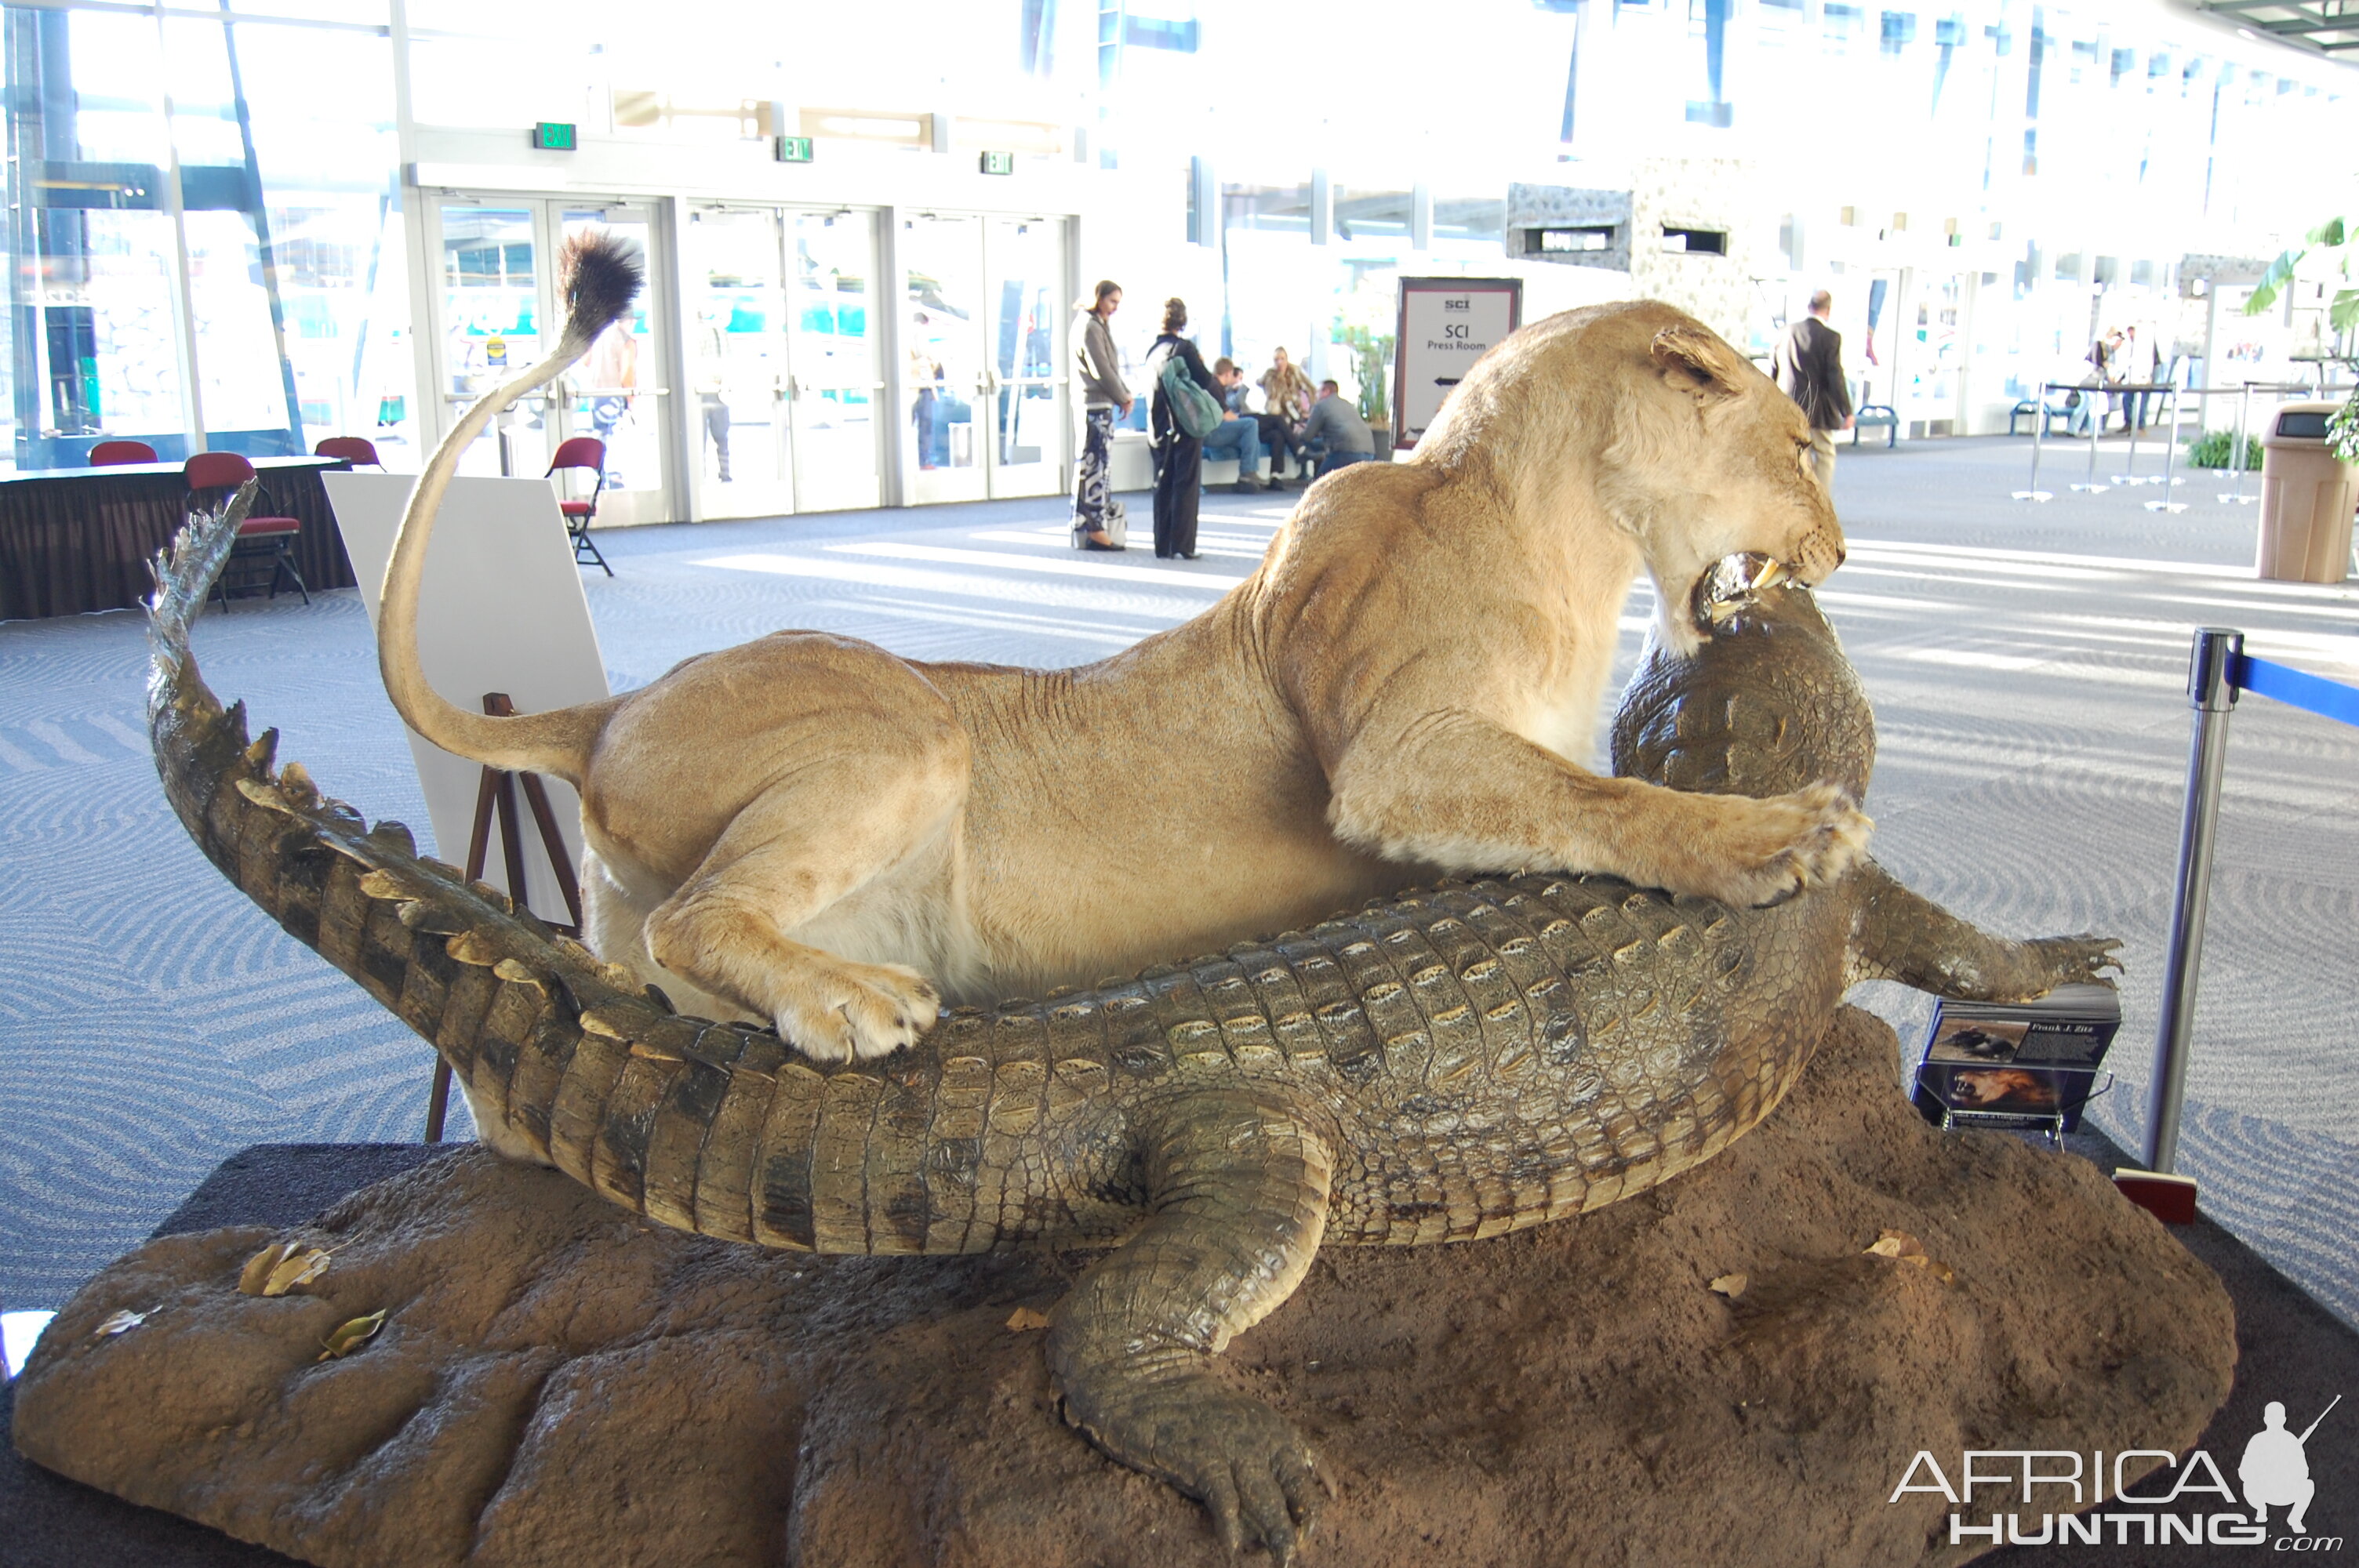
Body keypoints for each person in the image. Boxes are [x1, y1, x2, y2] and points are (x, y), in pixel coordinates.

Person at [1147, 297, 1219, 559]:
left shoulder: (1153, 351)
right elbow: (1205, 380)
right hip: (1184, 425)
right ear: (1183, 321)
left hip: (1157, 426)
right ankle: (1184, 545)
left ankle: (1162, 544)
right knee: (1186, 483)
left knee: (1162, 483)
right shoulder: (1185, 349)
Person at [1770, 290, 1854, 490]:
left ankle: (1790, 496)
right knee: (1824, 452)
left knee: (1792, 453)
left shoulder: (1786, 332)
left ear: (1810, 307)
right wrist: (1847, 411)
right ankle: (1820, 500)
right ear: (1828, 310)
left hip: (1787, 406)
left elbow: (1774, 367)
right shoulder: (1831, 338)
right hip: (1818, 409)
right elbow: (1835, 375)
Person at [1070, 280, 1131, 550]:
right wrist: (1123, 396)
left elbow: (1109, 369)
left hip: (1098, 404)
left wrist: (1123, 394)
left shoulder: (1094, 325)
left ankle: (1089, 526)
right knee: (1095, 468)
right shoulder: (1089, 327)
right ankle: (1095, 529)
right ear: (1099, 298)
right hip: (1094, 406)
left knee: (1094, 466)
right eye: (1112, 302)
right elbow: (1101, 369)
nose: (1114, 308)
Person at [1201, 358, 1267, 494]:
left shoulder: (1213, 385)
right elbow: (1226, 415)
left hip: (1211, 429)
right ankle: (1248, 471)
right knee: (1251, 424)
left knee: (1248, 435)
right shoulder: (1215, 386)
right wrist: (1239, 418)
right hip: (1212, 432)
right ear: (1228, 373)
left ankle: (1247, 475)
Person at [1297, 379, 1375, 477]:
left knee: (1321, 483)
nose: (1316, 395)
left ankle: (1313, 456)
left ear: (1326, 391)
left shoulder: (1321, 406)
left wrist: (1298, 431)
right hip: (1369, 451)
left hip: (1345, 452)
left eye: (1318, 392)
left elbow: (1307, 437)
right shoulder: (1348, 404)